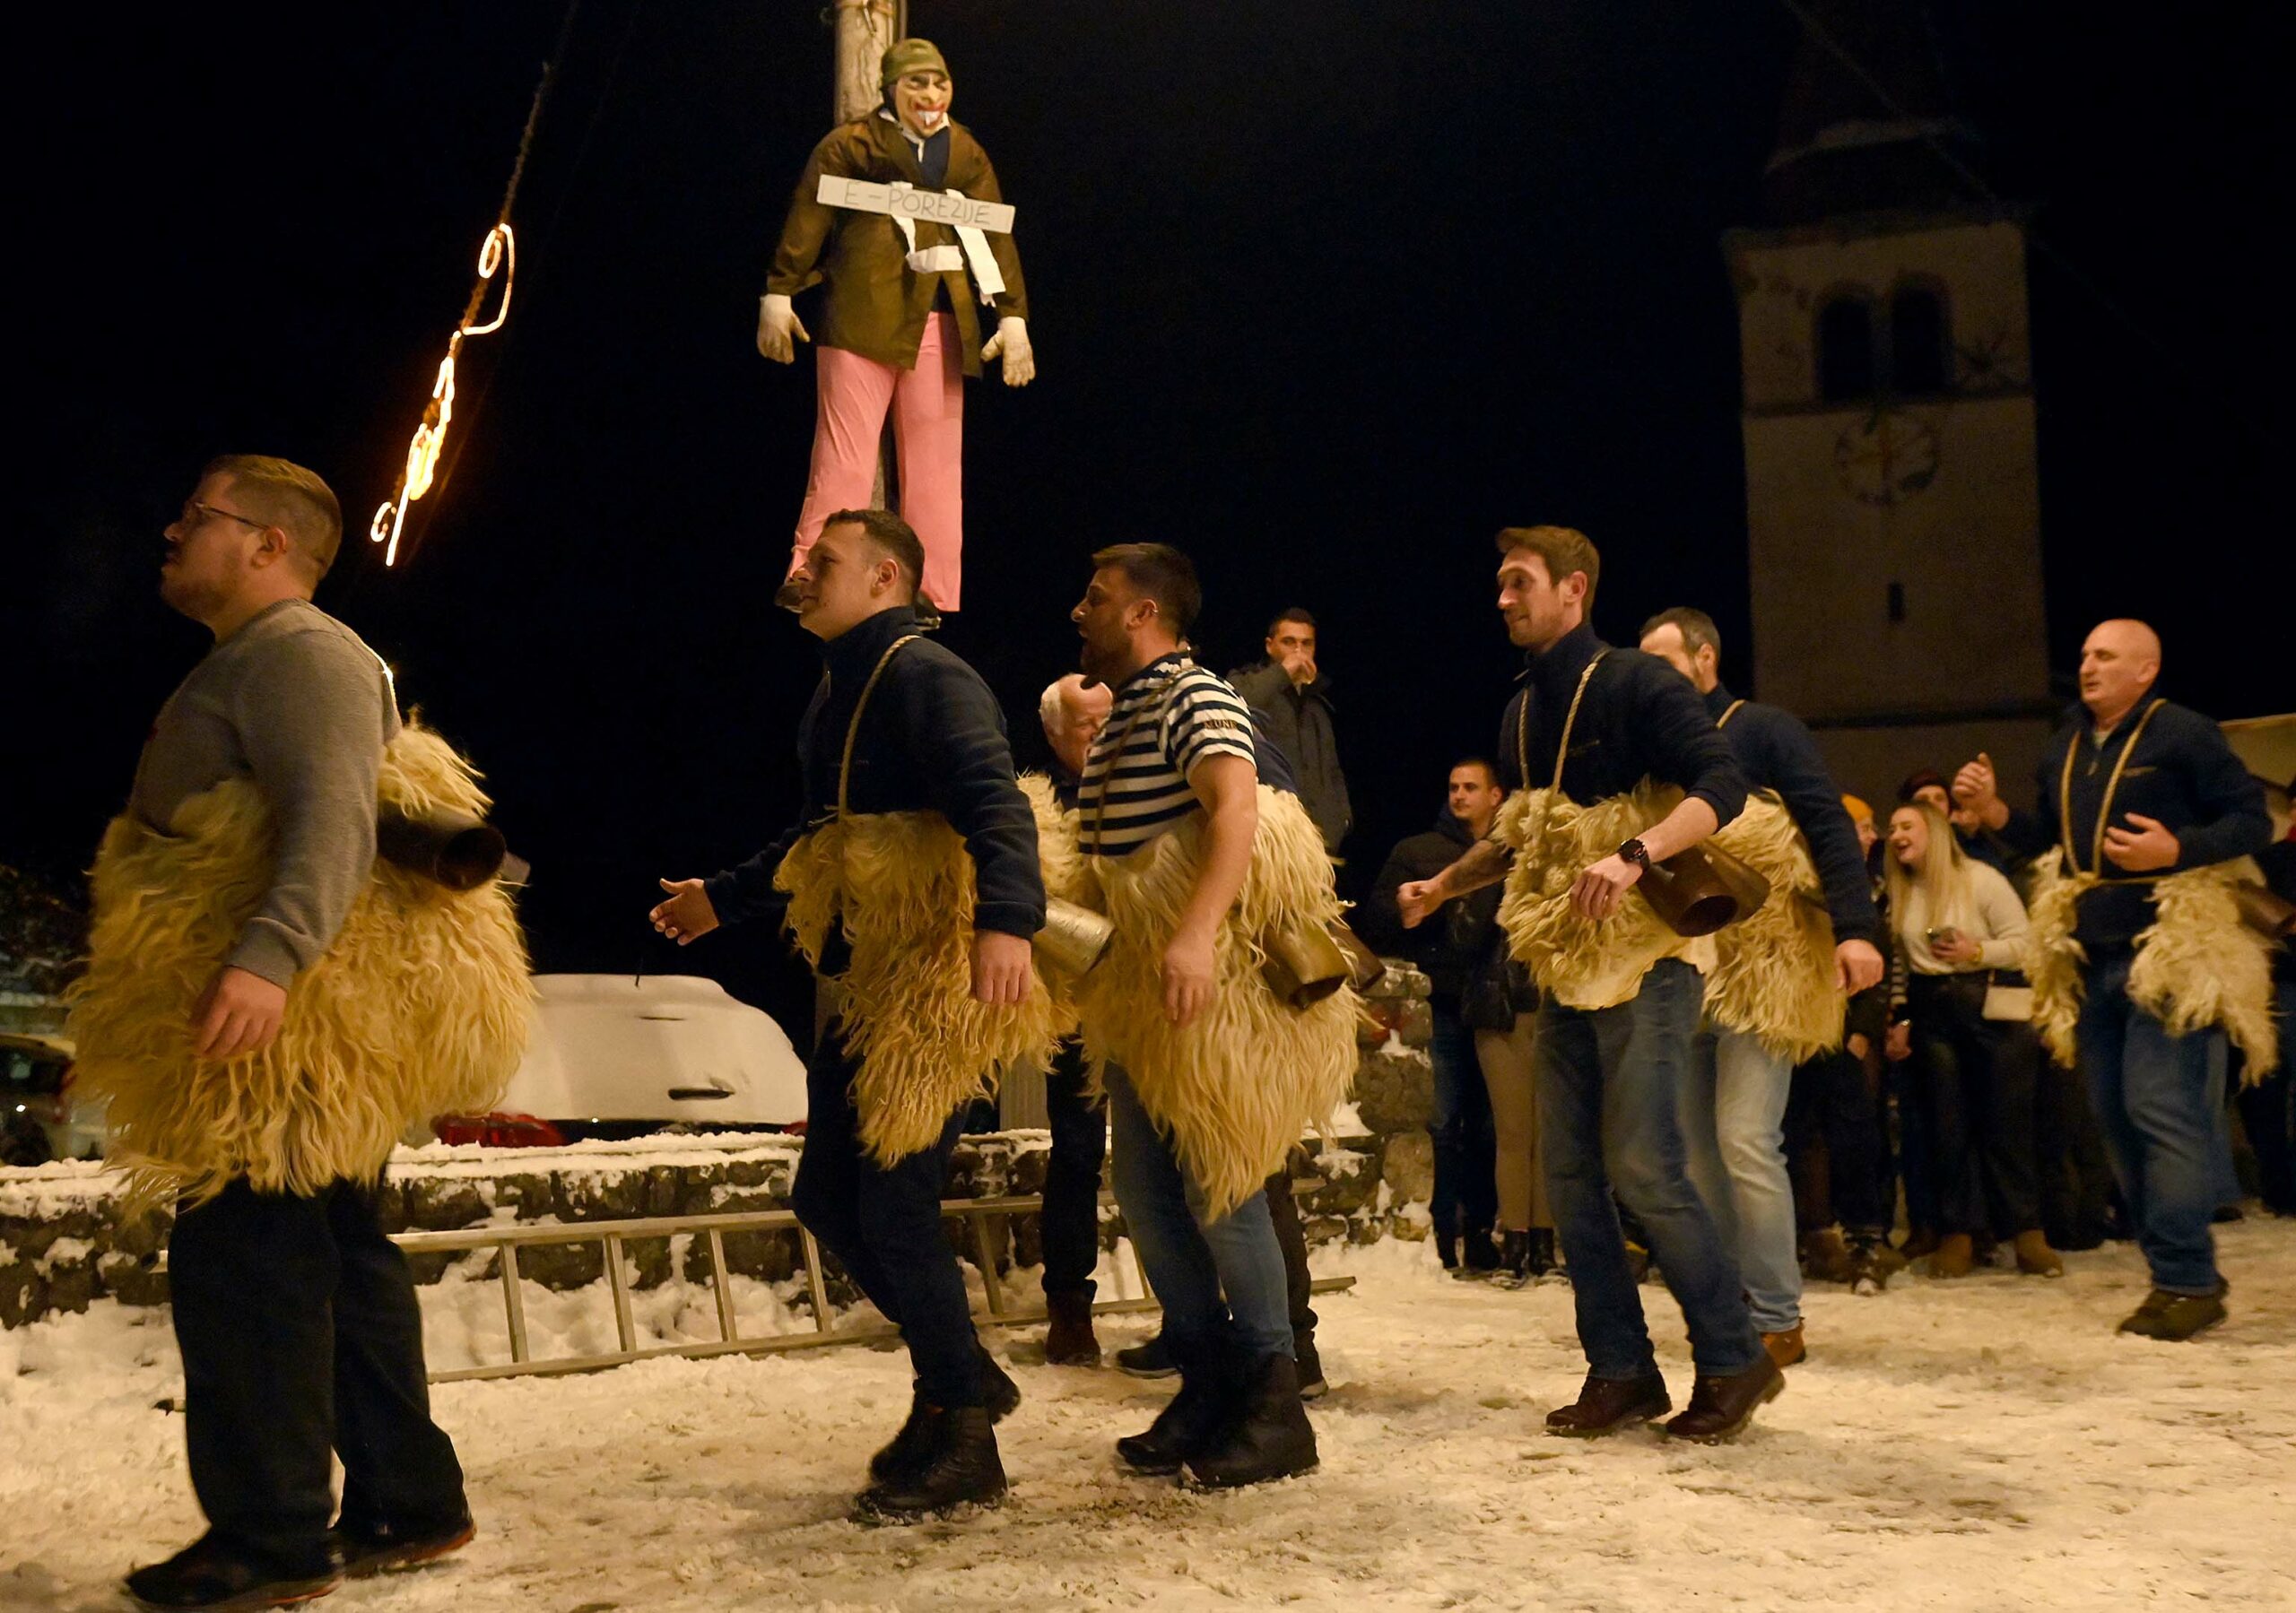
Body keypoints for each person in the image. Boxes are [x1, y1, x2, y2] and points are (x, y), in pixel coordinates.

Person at [67, 455, 529, 1609]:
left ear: (269, 545)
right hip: (309, 1031)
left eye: (200, 515)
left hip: (283, 1040)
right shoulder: (281, 657)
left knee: (248, 1268)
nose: (173, 529)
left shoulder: (300, 652)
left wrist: (265, 958)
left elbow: (332, 820)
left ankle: (270, 1537)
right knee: (339, 1252)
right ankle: (408, 1500)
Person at [651, 508, 1058, 1519]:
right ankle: (957, 1378)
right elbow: (818, 837)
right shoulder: (845, 682)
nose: (802, 571)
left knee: (891, 1205)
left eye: (821, 560)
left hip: (929, 986)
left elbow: (997, 804)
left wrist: (1006, 922)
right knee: (828, 1197)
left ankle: (963, 1423)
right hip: (872, 980)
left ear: (885, 575)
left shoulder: (925, 674)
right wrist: (724, 895)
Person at [1397, 525, 1781, 1444]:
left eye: (1517, 581)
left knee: (1644, 1164)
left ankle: (1735, 1357)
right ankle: (1622, 1369)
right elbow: (1529, 833)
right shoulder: (1523, 707)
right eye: (1496, 583)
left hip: (1650, 957)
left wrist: (1636, 849)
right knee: (1568, 1175)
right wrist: (1444, 884)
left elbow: (1724, 781)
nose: (1501, 597)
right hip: (1570, 957)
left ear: (1572, 589)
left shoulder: (1637, 680)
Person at [1062, 542, 1356, 1487]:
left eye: (1097, 598)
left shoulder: (1196, 695)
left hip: (1206, 992)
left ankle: (1272, 1402)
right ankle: (1207, 1378)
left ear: (1144, 613)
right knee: (1149, 1194)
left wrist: (1192, 934)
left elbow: (1233, 808)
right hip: (1142, 1002)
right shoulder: (1121, 720)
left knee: (1227, 1191)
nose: (1081, 611)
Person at [1952, 620, 2274, 1338]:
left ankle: (2189, 1278)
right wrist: (1994, 814)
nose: (2087, 664)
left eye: (2105, 655)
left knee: (2164, 1111)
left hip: (2169, 946)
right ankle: (2175, 1275)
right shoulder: (2066, 740)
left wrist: (2177, 846)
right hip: (2087, 953)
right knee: (2118, 1120)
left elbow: (2254, 821)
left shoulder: (2184, 733)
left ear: (2146, 669)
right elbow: (2054, 847)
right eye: (2085, 653)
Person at [1639, 608, 1887, 1367]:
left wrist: (1857, 927)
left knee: (1746, 1136)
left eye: (1664, 662)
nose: (1650, 679)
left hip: (1763, 964)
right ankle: (1735, 1305)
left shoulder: (1763, 729)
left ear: (1706, 660)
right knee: (1696, 1149)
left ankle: (1779, 1314)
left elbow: (1827, 820)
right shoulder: (1654, 749)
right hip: (1684, 962)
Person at [759, 39, 1033, 612]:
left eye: (939, 84)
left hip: (940, 318)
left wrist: (1012, 315)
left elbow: (995, 233)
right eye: (916, 84)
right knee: (843, 462)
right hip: (861, 316)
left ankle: (927, 591)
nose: (929, 96)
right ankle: (812, 571)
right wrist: (780, 290)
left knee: (936, 468)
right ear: (890, 88)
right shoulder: (853, 144)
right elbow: (811, 211)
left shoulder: (965, 152)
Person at [1357, 759, 1535, 1279]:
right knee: (1444, 1123)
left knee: (1493, 1128)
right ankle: (1442, 1232)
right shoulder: (1419, 853)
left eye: (1470, 787)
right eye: (1453, 786)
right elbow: (1377, 919)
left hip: (1501, 1006)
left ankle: (1483, 1232)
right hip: (1444, 1006)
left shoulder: (1515, 856)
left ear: (1496, 795)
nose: (1459, 795)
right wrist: (1413, 904)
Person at [1880, 802, 2061, 1279]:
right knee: (1947, 1127)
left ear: (1934, 833)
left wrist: (1975, 950)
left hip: (1989, 1009)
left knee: (2007, 1124)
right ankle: (1958, 1233)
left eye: (1906, 826)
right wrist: (1898, 1017)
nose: (1895, 835)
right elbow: (1900, 962)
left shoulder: (1981, 879)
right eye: (1892, 828)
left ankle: (2027, 1234)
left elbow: (2027, 944)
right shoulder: (1902, 891)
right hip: (1931, 1011)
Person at [1783, 795, 1902, 1290]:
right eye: (1862, 826)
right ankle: (1792, 1240)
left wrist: (1860, 1032)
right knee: (1782, 1139)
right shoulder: (1795, 881)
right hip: (1789, 1029)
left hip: (1839, 1031)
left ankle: (1866, 1240)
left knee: (1856, 1135)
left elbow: (1882, 958)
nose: (1872, 836)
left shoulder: (1860, 891)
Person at [1031, 675, 1115, 1367]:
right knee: (1078, 1149)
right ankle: (1069, 1308)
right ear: (1057, 734)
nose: (1104, 735)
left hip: (1152, 989)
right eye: (1090, 726)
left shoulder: (1144, 781)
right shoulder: (1038, 806)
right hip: (1077, 998)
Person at [1229, 609, 1352, 854]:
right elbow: (1234, 703)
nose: (1299, 652)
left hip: (1320, 836)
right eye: (1289, 642)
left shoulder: (1317, 702)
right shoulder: (1247, 680)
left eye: (1306, 644)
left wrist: (1342, 818)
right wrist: (1283, 671)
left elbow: (1331, 769)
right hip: (1270, 829)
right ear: (1269, 646)